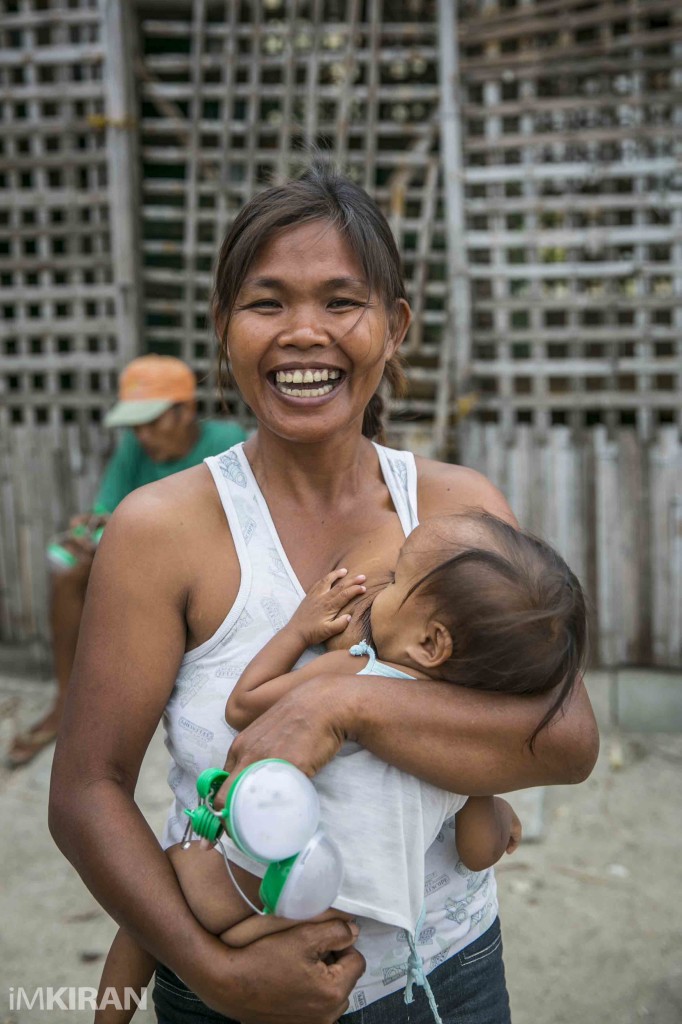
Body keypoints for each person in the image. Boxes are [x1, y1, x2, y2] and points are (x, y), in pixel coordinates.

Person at [49, 163, 599, 1024]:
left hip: (447, 977)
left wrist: (341, 710)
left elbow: (565, 740)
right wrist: (216, 973)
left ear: (395, 327)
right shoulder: (160, 531)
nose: (305, 333)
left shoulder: (458, 515)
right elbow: (86, 790)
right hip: (228, 991)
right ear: (223, 327)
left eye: (342, 301)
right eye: (267, 303)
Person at [95, 509, 587, 1023]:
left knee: (153, 903)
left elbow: (245, 704)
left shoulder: (359, 670)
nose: (380, 585)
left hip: (252, 876)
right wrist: (488, 791)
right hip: (341, 919)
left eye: (396, 580)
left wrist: (297, 630)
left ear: (431, 642)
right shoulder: (463, 742)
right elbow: (479, 852)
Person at [7, 355, 246, 768]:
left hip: (204, 573)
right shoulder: (134, 447)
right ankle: (65, 700)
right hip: (139, 566)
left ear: (185, 410)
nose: (143, 434)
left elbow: (233, 532)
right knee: (68, 572)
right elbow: (108, 510)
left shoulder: (227, 442)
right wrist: (91, 531)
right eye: (136, 425)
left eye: (153, 421)